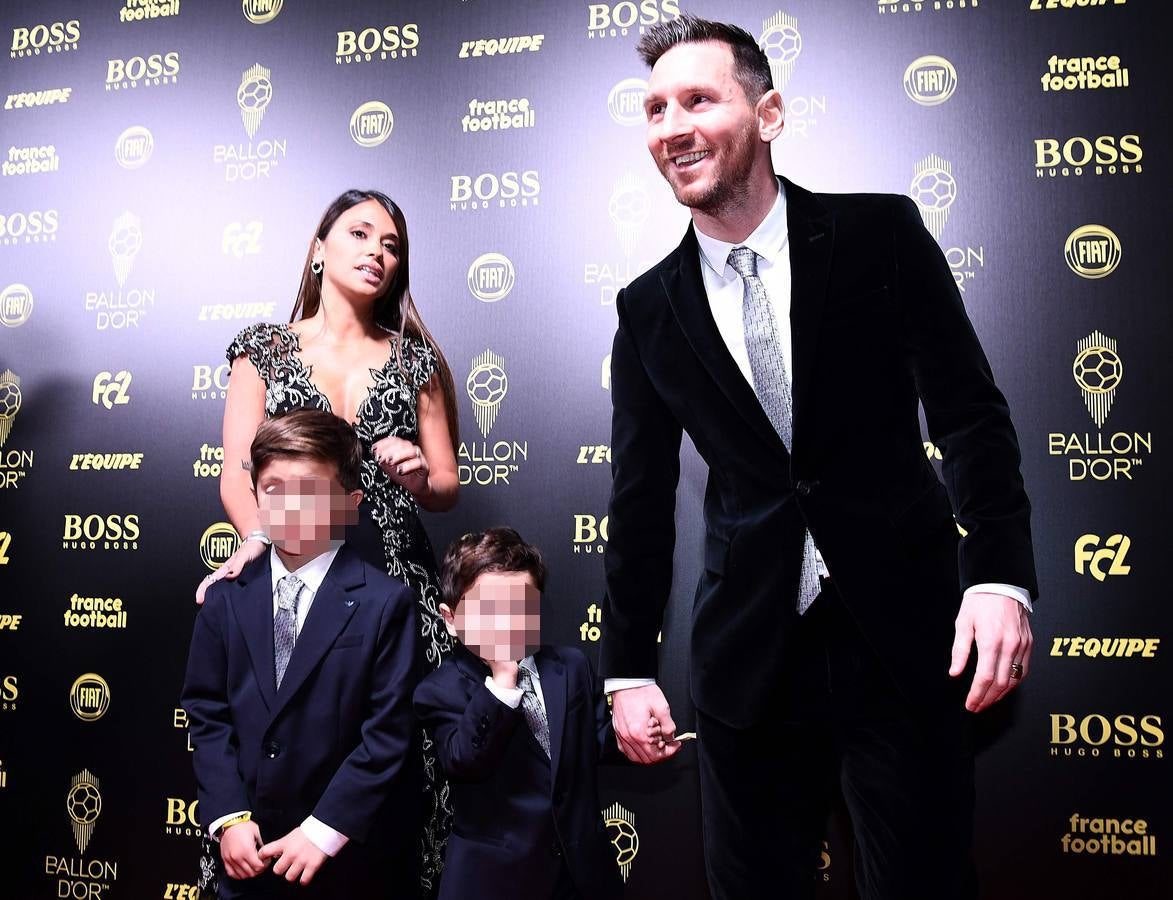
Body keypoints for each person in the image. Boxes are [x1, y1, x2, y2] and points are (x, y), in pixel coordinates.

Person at [600, 16, 1038, 900]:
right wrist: (627, 668)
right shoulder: (647, 307)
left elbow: (970, 415)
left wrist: (997, 578)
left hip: (906, 642)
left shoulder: (880, 233)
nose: (670, 126)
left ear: (767, 113)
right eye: (653, 108)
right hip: (747, 661)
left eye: (697, 99)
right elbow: (640, 502)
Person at [195, 189, 459, 897]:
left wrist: (416, 473)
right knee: (274, 737)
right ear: (318, 248)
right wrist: (255, 534)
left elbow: (444, 483)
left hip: (391, 572)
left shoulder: (417, 361)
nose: (377, 250)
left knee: (394, 750)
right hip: (289, 564)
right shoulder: (263, 349)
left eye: (392, 243)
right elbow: (236, 470)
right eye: (359, 233)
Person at [181, 408, 422, 899]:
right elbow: (207, 715)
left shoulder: (385, 603)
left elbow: (388, 732)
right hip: (245, 857)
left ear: (349, 503)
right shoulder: (225, 598)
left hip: (344, 861)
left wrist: (323, 830)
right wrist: (227, 818)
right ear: (255, 496)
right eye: (274, 489)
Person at [413, 528, 625, 900]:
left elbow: (593, 742)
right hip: (494, 883)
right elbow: (466, 761)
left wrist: (634, 738)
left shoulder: (570, 666)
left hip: (580, 878)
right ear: (450, 618)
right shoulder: (440, 690)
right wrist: (504, 679)